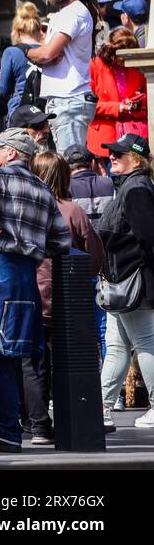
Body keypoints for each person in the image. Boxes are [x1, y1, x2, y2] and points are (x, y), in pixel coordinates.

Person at [0, 127, 71, 452]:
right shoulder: (42, 188)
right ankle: (3, 427)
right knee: (12, 355)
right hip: (28, 277)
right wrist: (32, 245)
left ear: (11, 153)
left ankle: (6, 431)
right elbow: (61, 242)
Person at [26, 149, 103, 444]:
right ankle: (72, 420)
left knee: (35, 365)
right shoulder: (73, 211)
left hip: (32, 296)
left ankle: (38, 426)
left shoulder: (27, 209)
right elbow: (93, 257)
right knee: (67, 364)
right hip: (67, 301)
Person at [94, 133, 154, 431]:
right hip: (121, 283)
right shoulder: (130, 187)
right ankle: (101, 406)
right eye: (112, 153)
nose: (112, 157)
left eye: (119, 153)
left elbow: (148, 238)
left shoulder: (136, 189)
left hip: (132, 281)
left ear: (137, 159)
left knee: (144, 341)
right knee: (117, 346)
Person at [28, 0, 99, 154]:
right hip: (64, 100)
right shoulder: (65, 13)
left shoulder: (74, 12)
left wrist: (26, 52)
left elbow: (46, 53)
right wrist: (42, 54)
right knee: (66, 166)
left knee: (72, 168)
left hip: (70, 100)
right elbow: (47, 54)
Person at [88, 27, 147, 159]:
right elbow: (87, 104)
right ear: (112, 51)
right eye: (123, 56)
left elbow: (147, 98)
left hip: (134, 135)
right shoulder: (95, 65)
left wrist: (137, 103)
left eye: (130, 55)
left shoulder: (136, 66)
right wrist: (117, 107)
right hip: (105, 135)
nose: (126, 60)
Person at [0, 2, 45, 117]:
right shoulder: (48, 52)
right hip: (44, 112)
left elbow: (3, 90)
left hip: (19, 112)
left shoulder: (11, 52)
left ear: (17, 30)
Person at [65, 144, 115, 227]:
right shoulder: (111, 184)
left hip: (80, 239)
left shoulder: (64, 188)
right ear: (92, 163)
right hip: (108, 238)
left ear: (66, 167)